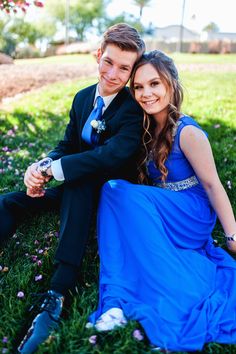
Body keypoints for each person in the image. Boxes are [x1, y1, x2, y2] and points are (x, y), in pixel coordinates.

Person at [0, 23, 145, 353]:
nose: (113, 73)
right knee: (10, 201)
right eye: (109, 62)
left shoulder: (133, 110)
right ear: (98, 56)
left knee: (81, 179)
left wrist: (57, 169)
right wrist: (42, 166)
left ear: (132, 71)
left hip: (111, 195)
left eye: (124, 68)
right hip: (73, 184)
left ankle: (58, 292)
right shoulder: (83, 98)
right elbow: (66, 144)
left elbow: (110, 156)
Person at [88, 50, 236, 352]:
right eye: (139, 87)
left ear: (170, 83)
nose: (146, 93)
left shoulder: (188, 131)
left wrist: (232, 235)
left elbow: (213, 185)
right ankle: (115, 302)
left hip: (191, 213)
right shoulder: (144, 127)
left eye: (154, 84)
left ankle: (146, 299)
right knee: (115, 196)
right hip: (162, 208)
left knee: (116, 191)